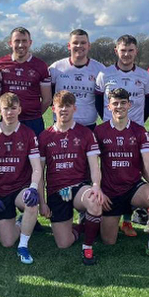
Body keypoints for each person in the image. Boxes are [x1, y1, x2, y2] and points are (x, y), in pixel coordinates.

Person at [94, 88, 149, 262]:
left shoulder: (139, 131)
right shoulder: (100, 131)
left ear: (129, 105)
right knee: (108, 241)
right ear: (108, 106)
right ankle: (93, 224)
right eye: (115, 103)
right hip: (110, 191)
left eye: (123, 103)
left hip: (133, 187)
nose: (119, 106)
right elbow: (93, 165)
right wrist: (98, 189)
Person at [95, 34, 149, 237]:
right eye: (123, 50)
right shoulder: (104, 75)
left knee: (132, 170)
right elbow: (98, 102)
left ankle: (128, 220)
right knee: (111, 170)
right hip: (110, 131)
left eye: (130, 50)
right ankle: (97, 213)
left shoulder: (145, 76)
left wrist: (137, 123)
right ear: (116, 51)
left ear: (136, 51)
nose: (127, 54)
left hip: (135, 131)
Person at [39, 91, 105, 265]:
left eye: (68, 106)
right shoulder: (45, 136)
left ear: (74, 108)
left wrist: (96, 186)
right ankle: (82, 227)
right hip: (56, 192)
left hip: (78, 187)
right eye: (60, 106)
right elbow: (39, 173)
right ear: (53, 109)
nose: (64, 109)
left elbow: (94, 166)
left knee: (94, 201)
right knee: (64, 243)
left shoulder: (85, 133)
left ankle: (88, 247)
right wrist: (42, 201)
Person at [0, 93, 42, 264]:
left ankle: (23, 245)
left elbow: (37, 166)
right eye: (6, 109)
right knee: (7, 242)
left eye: (13, 109)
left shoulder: (28, 134)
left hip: (19, 188)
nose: (9, 113)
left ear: (19, 110)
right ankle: (21, 223)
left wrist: (32, 187)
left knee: (31, 203)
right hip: (0, 193)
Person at [0, 27, 53, 136]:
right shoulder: (0, 64)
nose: (21, 45)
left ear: (30, 43)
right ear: (10, 43)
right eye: (17, 41)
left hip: (33, 122)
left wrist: (34, 114)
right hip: (7, 120)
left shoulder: (40, 66)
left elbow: (47, 99)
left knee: (35, 153)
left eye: (24, 41)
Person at [49, 29, 106, 130]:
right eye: (75, 43)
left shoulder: (100, 69)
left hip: (89, 126)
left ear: (89, 45)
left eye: (83, 43)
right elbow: (48, 97)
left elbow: (103, 99)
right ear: (69, 46)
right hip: (62, 125)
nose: (79, 46)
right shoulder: (56, 68)